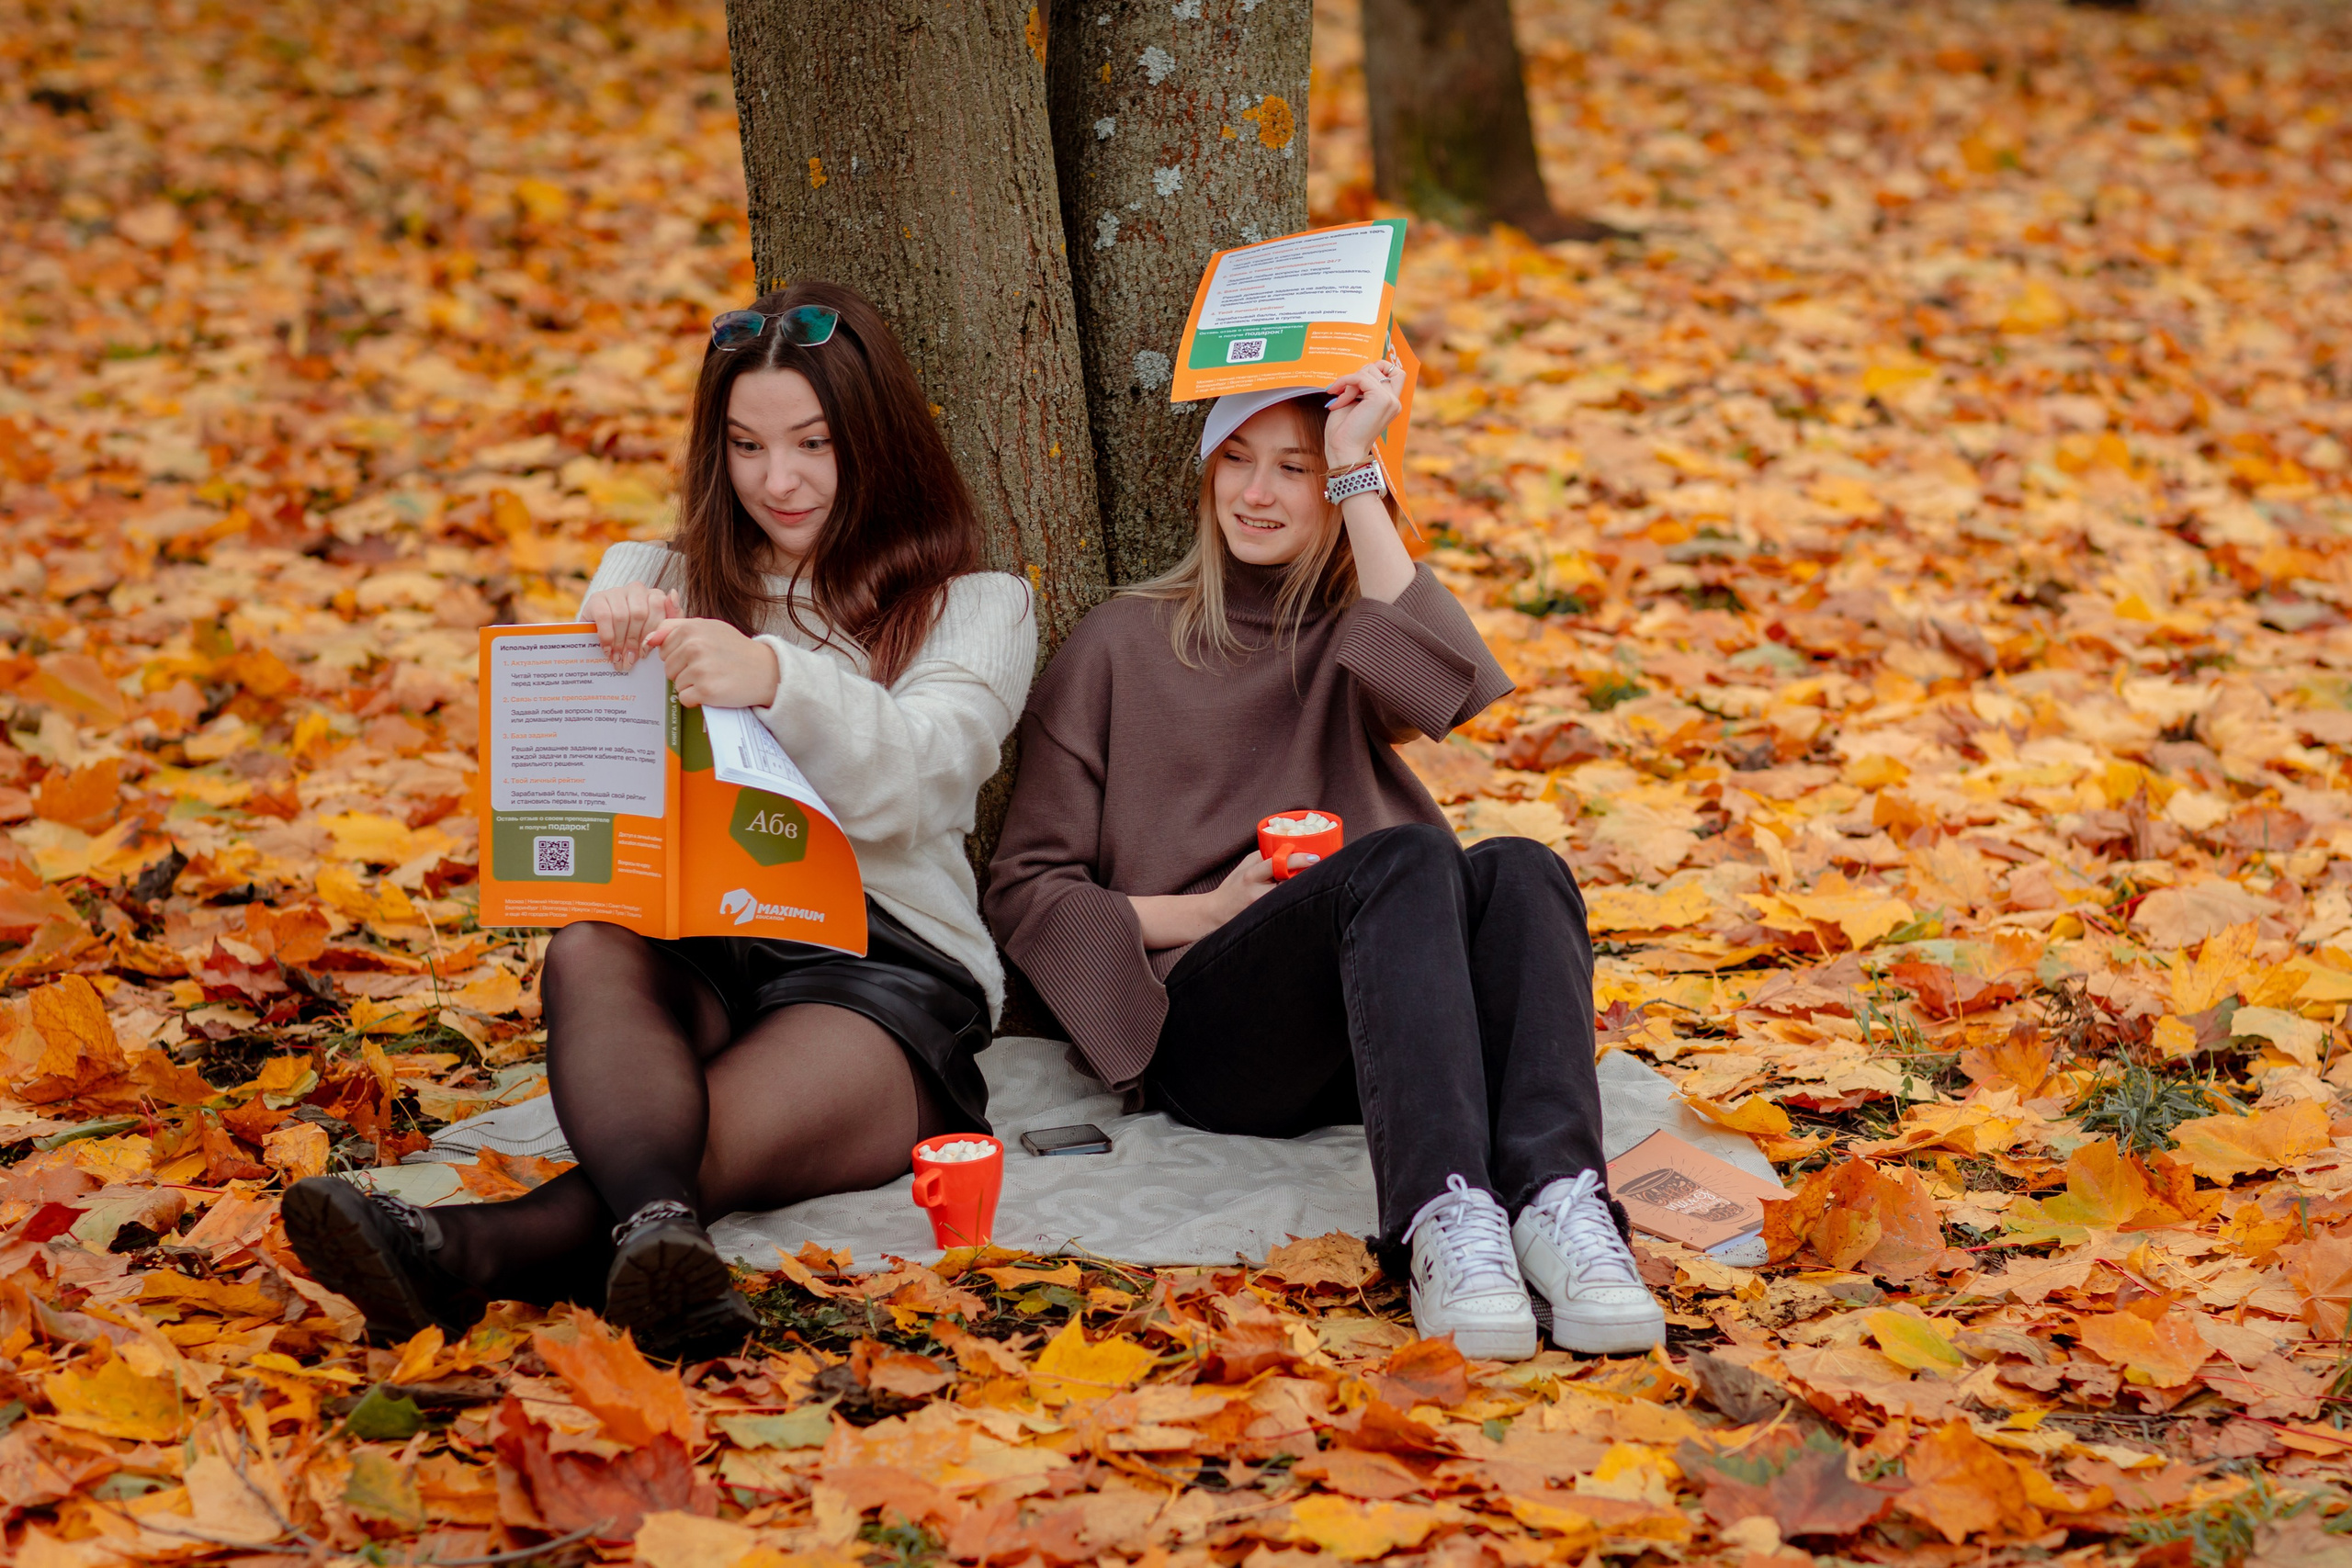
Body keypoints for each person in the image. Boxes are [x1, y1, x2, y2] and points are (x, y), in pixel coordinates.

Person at [286, 284, 1037, 1358]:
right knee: (590, 944)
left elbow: (918, 782)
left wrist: (773, 675)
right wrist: (606, 664)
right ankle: (654, 1245)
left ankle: (465, 1251)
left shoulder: (977, 604)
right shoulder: (654, 575)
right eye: (746, 446)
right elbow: (585, 794)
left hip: (880, 962)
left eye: (814, 444)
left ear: (874, 442)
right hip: (693, 933)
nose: (778, 481)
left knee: (704, 1141)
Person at [985, 360, 1661, 1359]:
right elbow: (1025, 890)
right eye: (1237, 461)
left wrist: (1356, 468)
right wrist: (1209, 912)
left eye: (1295, 469)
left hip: (1393, 1031)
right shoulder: (1119, 644)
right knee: (1406, 858)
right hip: (1221, 1041)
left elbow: (1444, 692)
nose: (1256, 493)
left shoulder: (1356, 635)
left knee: (1523, 866)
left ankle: (1561, 1202)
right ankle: (1438, 1217)